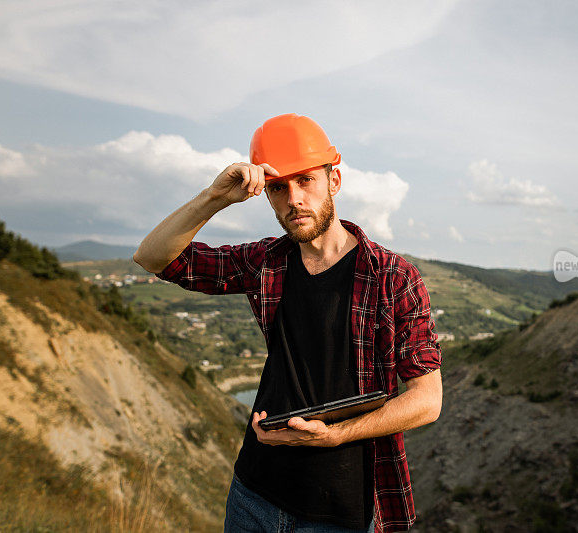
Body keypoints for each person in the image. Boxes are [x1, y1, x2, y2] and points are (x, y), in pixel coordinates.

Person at [133, 113, 443, 533]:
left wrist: (335, 435)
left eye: (306, 181)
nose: (293, 199)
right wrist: (214, 196)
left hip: (341, 513)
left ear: (334, 180)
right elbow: (154, 257)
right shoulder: (265, 262)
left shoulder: (393, 276)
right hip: (253, 496)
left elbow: (427, 401)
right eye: (278, 188)